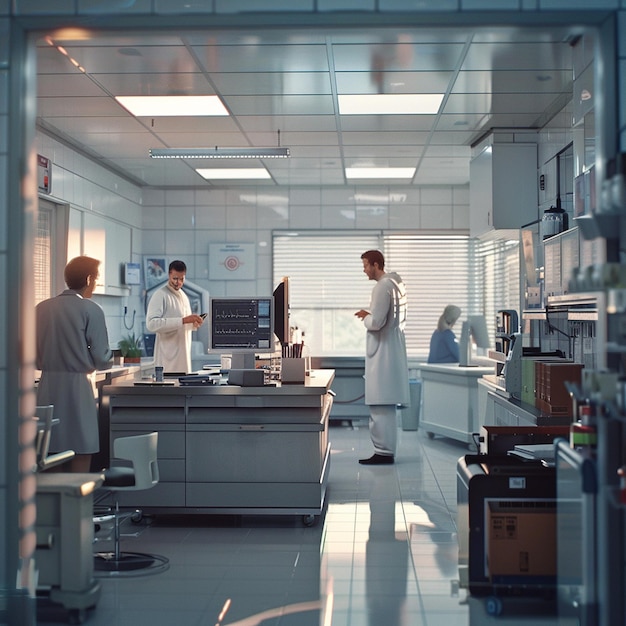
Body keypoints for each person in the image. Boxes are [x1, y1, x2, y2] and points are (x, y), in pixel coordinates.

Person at [36, 255, 113, 472]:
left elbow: (31, 354)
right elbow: (102, 359)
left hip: (47, 387)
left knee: (48, 451)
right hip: (78, 388)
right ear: (89, 279)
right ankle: (78, 503)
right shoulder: (91, 309)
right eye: (96, 278)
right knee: (81, 447)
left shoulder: (41, 308)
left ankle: (51, 507)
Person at [355, 250, 409, 465]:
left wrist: (366, 316)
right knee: (385, 406)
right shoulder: (397, 285)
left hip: (383, 353)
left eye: (366, 265)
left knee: (380, 406)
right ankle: (385, 450)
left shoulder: (382, 287)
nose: (364, 270)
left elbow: (376, 323)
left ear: (377, 264)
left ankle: (383, 451)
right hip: (392, 350)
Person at [146, 259, 204, 374]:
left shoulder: (183, 296)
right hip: (167, 360)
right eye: (175, 278)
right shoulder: (160, 295)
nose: (178, 282)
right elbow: (151, 324)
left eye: (181, 279)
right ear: (169, 275)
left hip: (183, 358)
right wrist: (183, 320)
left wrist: (194, 324)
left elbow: (183, 324)